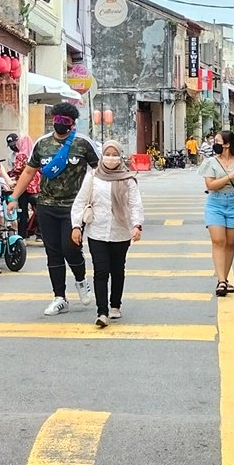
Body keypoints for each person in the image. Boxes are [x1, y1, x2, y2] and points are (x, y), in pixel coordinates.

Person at [10, 102, 98, 316]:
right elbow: (29, 172)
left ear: (72, 124)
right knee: (53, 252)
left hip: (74, 207)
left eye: (65, 122)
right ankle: (59, 297)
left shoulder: (83, 143)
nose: (59, 125)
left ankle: (80, 279)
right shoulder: (42, 144)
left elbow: (99, 171)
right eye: (56, 120)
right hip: (47, 205)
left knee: (70, 248)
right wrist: (14, 197)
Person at [73, 140, 145, 327]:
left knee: (117, 269)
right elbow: (80, 202)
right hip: (97, 231)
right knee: (101, 270)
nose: (110, 158)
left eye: (114, 154)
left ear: (120, 156)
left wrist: (137, 225)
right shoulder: (93, 176)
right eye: (107, 153)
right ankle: (102, 311)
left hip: (121, 232)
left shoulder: (128, 179)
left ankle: (115, 305)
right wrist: (76, 226)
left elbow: (135, 204)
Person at [201, 130, 234, 297]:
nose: (213, 144)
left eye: (217, 141)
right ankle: (221, 281)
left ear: (227, 144)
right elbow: (211, 185)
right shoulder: (211, 162)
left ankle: (225, 278)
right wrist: (230, 176)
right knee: (218, 241)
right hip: (215, 203)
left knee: (230, 243)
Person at [7, 132, 38, 240]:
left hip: (23, 186)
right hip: (35, 187)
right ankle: (39, 234)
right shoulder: (35, 155)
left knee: (23, 211)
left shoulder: (21, 156)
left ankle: (22, 234)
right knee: (37, 210)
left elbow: (17, 170)